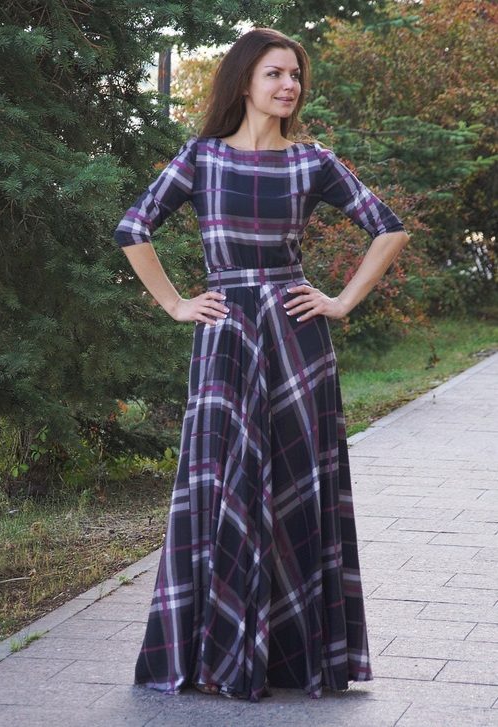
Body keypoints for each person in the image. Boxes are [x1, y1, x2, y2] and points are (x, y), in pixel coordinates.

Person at [113, 27, 409, 703]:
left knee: (297, 486)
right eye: (275, 73)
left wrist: (340, 301)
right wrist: (176, 304)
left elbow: (387, 227)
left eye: (295, 75)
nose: (289, 85)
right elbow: (133, 227)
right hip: (225, 338)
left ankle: (293, 661)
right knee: (223, 483)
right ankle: (218, 657)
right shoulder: (202, 158)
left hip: (297, 340)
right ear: (244, 80)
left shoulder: (311, 162)